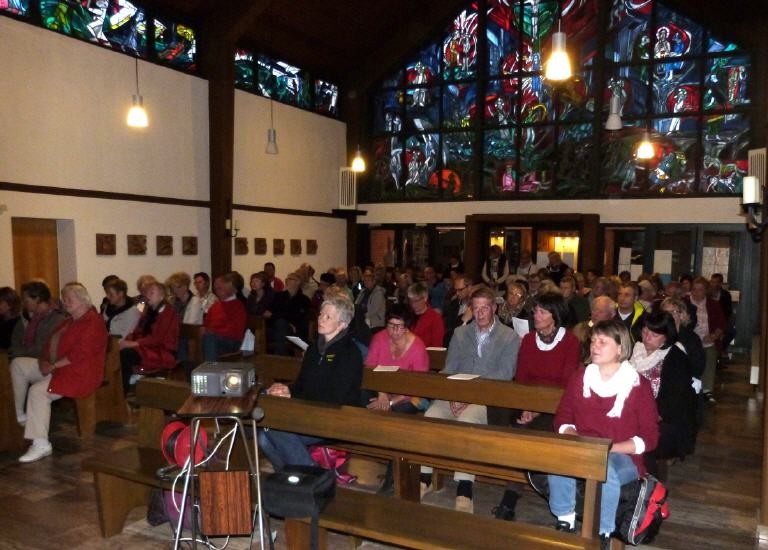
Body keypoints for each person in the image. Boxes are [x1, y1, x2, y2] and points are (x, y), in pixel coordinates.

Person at [547, 320, 659, 548]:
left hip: (623, 456)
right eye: (593, 341)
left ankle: (604, 533)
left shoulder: (638, 385)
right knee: (557, 457)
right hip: (584, 447)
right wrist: (571, 434)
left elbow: (650, 437)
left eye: (602, 342)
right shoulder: (581, 377)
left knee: (604, 468)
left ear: (620, 348)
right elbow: (563, 417)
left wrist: (608, 449)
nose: (594, 346)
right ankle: (565, 520)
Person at [420, 286, 520, 513]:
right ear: (471, 309)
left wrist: (469, 395)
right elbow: (448, 369)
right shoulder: (460, 333)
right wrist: (454, 395)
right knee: (430, 416)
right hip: (455, 394)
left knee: (467, 421)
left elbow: (504, 374)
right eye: (476, 308)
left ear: (494, 308)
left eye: (485, 308)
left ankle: (465, 487)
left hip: (487, 398)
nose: (481, 313)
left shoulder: (509, 336)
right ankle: (424, 476)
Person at [490, 291, 580, 520]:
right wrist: (526, 407)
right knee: (501, 419)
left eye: (541, 311)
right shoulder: (530, 339)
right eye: (535, 311)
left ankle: (510, 497)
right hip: (528, 402)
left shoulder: (569, 342)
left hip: (556, 407)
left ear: (555, 315)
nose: (535, 315)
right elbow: (521, 378)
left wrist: (537, 409)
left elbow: (565, 385)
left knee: (527, 435)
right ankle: (512, 483)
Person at [257, 295, 363, 471]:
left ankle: (312, 477)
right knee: (264, 436)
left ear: (342, 324)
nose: (321, 319)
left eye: (328, 317)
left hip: (338, 417)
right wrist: (286, 389)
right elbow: (302, 385)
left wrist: (296, 398)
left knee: (275, 429)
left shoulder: (350, 354)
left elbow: (336, 397)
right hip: (309, 412)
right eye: (321, 314)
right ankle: (293, 479)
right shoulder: (314, 348)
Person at [12, 283, 107, 463]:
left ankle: (41, 444)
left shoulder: (94, 322)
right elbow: (48, 344)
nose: (65, 302)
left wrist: (53, 366)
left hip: (80, 373)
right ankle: (20, 415)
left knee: (38, 392)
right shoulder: (69, 321)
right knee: (18, 364)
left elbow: (80, 354)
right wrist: (43, 361)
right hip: (58, 367)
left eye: (70, 299)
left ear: (83, 300)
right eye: (64, 299)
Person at [630, 312, 697, 478]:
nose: (647, 338)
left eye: (654, 335)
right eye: (645, 332)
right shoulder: (635, 350)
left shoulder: (676, 359)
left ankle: (647, 486)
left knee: (641, 440)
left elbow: (671, 404)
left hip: (666, 421)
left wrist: (641, 419)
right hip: (633, 412)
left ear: (666, 337)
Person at [364, 304, 430, 412]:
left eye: (399, 326)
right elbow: (369, 369)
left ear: (407, 327)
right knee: (363, 396)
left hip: (407, 394)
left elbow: (418, 384)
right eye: (391, 325)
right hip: (380, 388)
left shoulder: (418, 347)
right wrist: (382, 394)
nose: (394, 330)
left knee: (402, 409)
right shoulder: (378, 339)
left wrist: (390, 402)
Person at [119, 282, 180, 394]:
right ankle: (120, 390)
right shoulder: (148, 311)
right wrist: (127, 340)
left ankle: (123, 393)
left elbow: (158, 339)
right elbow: (138, 330)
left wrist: (133, 344)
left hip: (162, 351)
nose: (148, 295)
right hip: (147, 347)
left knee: (126, 354)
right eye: (147, 292)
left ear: (162, 295)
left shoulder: (168, 312)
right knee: (117, 352)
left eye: (152, 292)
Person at [9, 281, 66, 367]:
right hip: (27, 358)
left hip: (46, 362)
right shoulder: (26, 317)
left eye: (26, 300)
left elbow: (44, 347)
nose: (23, 303)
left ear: (37, 299)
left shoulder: (57, 318)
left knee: (17, 365)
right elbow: (15, 339)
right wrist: (15, 353)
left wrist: (19, 353)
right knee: (15, 363)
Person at [685, 277, 725, 402]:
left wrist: (714, 335)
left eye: (700, 290)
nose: (697, 293)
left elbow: (721, 323)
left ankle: (707, 390)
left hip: (707, 339)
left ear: (706, 291)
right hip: (689, 340)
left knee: (710, 354)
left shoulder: (713, 304)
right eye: (694, 290)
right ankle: (689, 387)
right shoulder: (684, 302)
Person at [202, 274, 247, 360]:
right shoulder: (215, 306)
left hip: (231, 341)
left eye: (220, 287)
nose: (217, 289)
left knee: (209, 339)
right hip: (215, 339)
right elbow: (207, 324)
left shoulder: (238, 306)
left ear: (231, 289)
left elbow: (235, 331)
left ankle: (211, 370)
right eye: (216, 288)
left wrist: (213, 331)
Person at [269, 272, 311, 355]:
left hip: (295, 329)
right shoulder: (279, 296)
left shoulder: (304, 299)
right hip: (278, 327)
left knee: (281, 325)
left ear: (298, 282)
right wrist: (287, 321)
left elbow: (297, 316)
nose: (286, 281)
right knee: (280, 325)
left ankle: (279, 358)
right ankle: (279, 357)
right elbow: (271, 312)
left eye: (290, 279)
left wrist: (287, 321)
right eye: (286, 279)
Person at [407, 282, 445, 348]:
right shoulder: (406, 315)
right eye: (411, 301)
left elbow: (436, 347)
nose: (413, 305)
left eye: (416, 301)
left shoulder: (435, 318)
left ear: (425, 298)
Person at [442, 275, 474, 345]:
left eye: (460, 290)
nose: (457, 293)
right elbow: (449, 330)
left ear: (470, 288)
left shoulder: (477, 305)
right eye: (455, 290)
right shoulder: (453, 304)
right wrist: (462, 320)